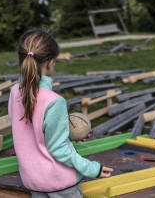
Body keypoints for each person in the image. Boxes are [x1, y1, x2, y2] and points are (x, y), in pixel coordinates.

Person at [8, 29, 113, 197]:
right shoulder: (53, 101)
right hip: (60, 183)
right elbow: (58, 148)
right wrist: (92, 168)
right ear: (50, 62)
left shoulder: (14, 92)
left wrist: (65, 132)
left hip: (33, 182)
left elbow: (29, 131)